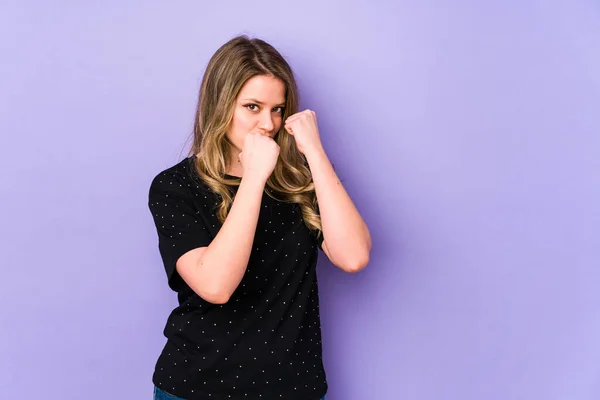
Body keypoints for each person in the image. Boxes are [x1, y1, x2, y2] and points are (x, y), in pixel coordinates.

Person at [147, 34, 372, 400]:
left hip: (294, 390)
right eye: (252, 107)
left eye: (278, 109)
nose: (268, 123)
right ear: (221, 106)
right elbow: (216, 286)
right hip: (198, 388)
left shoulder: (296, 182)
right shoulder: (175, 187)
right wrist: (253, 178)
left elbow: (353, 256)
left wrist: (312, 151)